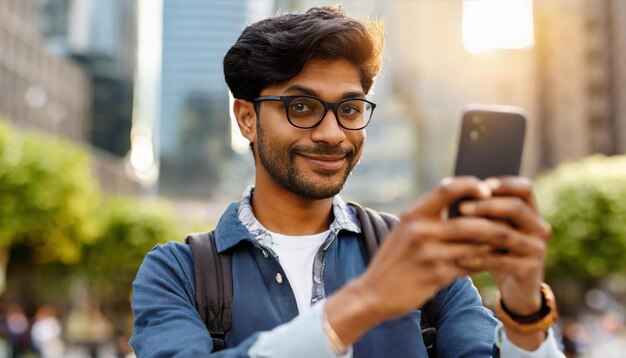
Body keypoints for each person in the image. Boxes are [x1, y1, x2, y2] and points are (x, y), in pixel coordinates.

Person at [130, 6, 564, 357]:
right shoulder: (179, 271)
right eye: (301, 107)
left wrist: (524, 314)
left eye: (350, 109)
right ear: (247, 118)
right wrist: (366, 301)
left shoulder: (421, 255)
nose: (333, 134)